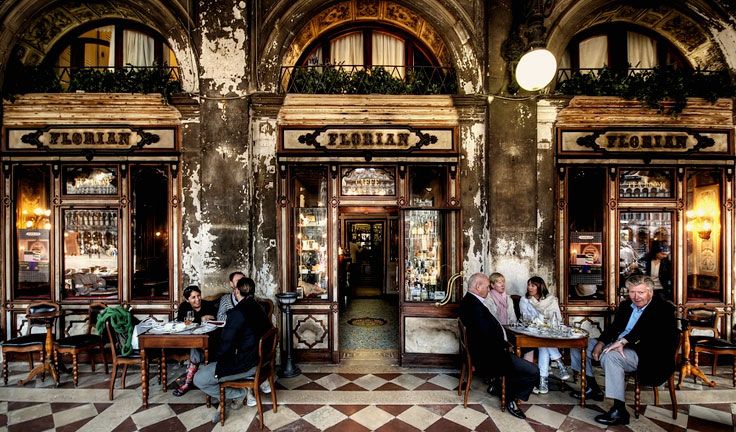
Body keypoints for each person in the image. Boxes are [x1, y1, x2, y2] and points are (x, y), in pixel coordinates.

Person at [569, 275, 677, 426]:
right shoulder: (627, 306)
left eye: (640, 292)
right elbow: (613, 328)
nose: (636, 297)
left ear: (650, 292)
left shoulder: (663, 308)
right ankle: (592, 387)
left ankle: (619, 410)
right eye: (632, 292)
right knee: (578, 344)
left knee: (611, 357)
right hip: (616, 345)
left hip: (646, 353)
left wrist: (624, 341)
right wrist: (600, 343)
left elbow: (647, 330)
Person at [193, 276, 272, 423]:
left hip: (247, 364)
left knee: (199, 378)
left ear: (236, 291)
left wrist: (214, 361)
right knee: (212, 366)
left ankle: (237, 393)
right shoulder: (259, 308)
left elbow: (226, 344)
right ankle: (236, 393)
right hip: (262, 361)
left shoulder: (237, 313)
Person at [459, 272, 538, 420]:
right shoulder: (474, 305)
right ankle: (511, 399)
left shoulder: (470, 301)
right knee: (533, 370)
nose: (489, 290)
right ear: (478, 286)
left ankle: (498, 387)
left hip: (486, 351)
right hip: (488, 356)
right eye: (488, 287)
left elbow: (485, 331)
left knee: (524, 356)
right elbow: (485, 335)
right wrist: (506, 346)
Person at [518, 276, 571, 394]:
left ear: (539, 286)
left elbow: (556, 317)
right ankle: (559, 362)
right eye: (529, 285)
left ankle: (543, 383)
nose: (529, 287)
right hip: (530, 331)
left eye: (533, 285)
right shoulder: (524, 300)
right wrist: (541, 319)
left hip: (546, 332)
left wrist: (544, 320)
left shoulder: (550, 299)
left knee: (543, 346)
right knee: (543, 342)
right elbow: (526, 317)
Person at [172, 285, 217, 396]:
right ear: (188, 300)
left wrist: (210, 317)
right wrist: (200, 319)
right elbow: (181, 322)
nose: (197, 299)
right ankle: (190, 378)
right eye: (193, 297)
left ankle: (188, 382)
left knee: (195, 348)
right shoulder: (184, 307)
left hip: (210, 339)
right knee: (194, 347)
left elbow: (216, 318)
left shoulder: (208, 305)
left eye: (198, 296)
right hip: (190, 339)